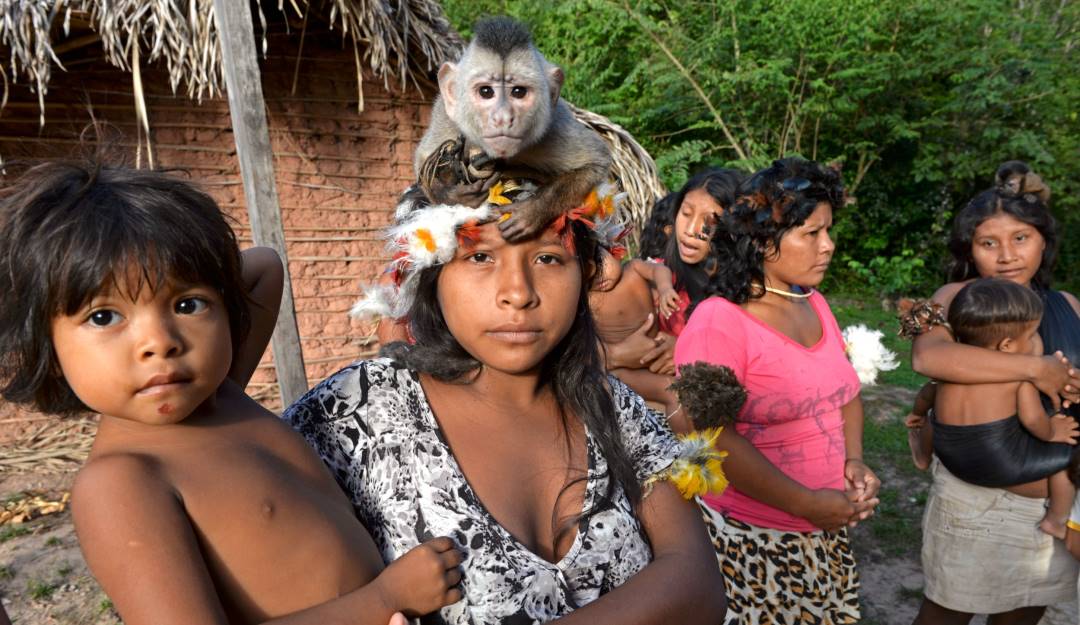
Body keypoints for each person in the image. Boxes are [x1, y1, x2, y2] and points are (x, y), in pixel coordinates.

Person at [0, 162, 461, 625]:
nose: (159, 342)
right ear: (46, 345)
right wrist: (383, 599)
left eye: (187, 304)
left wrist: (191, 266)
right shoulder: (122, 482)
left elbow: (265, 266)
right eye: (104, 316)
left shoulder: (219, 396)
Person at [285, 181, 726, 625]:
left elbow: (697, 583)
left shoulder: (611, 404)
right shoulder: (354, 412)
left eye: (547, 258)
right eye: (480, 256)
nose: (518, 292)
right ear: (432, 270)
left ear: (586, 271)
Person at [674, 157, 880, 624]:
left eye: (828, 231)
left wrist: (853, 461)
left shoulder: (814, 303)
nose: (828, 245)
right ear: (764, 241)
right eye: (812, 233)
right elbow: (712, 438)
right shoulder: (720, 322)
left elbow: (844, 394)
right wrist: (805, 503)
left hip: (822, 529)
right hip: (750, 540)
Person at [909, 161, 1080, 625]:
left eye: (1021, 238)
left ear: (1044, 241)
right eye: (989, 243)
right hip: (978, 505)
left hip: (1052, 508)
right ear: (970, 249)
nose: (1007, 256)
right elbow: (928, 357)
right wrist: (1037, 369)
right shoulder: (951, 296)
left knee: (1022, 615)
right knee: (946, 614)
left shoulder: (1067, 305)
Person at [925, 278, 1078, 538]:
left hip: (952, 455)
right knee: (1068, 466)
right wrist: (1053, 431)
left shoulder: (957, 369)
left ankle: (921, 448)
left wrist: (917, 415)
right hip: (996, 460)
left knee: (934, 416)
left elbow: (927, 395)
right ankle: (1056, 520)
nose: (1038, 340)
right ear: (1006, 345)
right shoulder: (1018, 375)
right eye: (1033, 335)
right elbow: (1032, 419)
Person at [599, 169, 744, 427]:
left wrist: (685, 348)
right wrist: (618, 354)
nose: (691, 230)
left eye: (709, 221)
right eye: (686, 214)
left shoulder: (746, 292)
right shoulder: (657, 281)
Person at [589, 247, 681, 417]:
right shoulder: (587, 299)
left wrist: (665, 288)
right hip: (625, 371)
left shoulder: (634, 268)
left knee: (682, 389)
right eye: (586, 274)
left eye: (600, 262)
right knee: (673, 392)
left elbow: (659, 270)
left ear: (613, 250)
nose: (596, 277)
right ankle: (683, 435)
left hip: (659, 356)